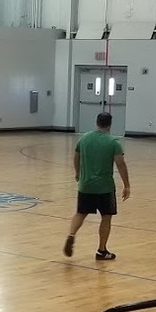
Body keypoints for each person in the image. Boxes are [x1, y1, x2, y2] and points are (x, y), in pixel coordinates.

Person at [63, 112, 129, 261]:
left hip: (85, 185)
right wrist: (127, 185)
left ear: (97, 122)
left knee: (81, 213)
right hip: (104, 187)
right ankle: (101, 250)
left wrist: (78, 174)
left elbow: (76, 157)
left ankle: (71, 234)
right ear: (110, 124)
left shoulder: (84, 139)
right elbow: (121, 164)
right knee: (106, 217)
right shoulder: (113, 142)